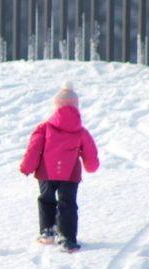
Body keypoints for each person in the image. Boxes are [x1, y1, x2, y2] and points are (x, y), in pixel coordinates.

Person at [19, 81, 99, 252]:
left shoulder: (45, 127)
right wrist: (91, 166)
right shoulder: (81, 131)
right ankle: (67, 237)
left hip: (46, 172)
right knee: (67, 203)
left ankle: (48, 232)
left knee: (46, 199)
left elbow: (34, 148)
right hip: (70, 174)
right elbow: (90, 153)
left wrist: (27, 166)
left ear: (56, 107)